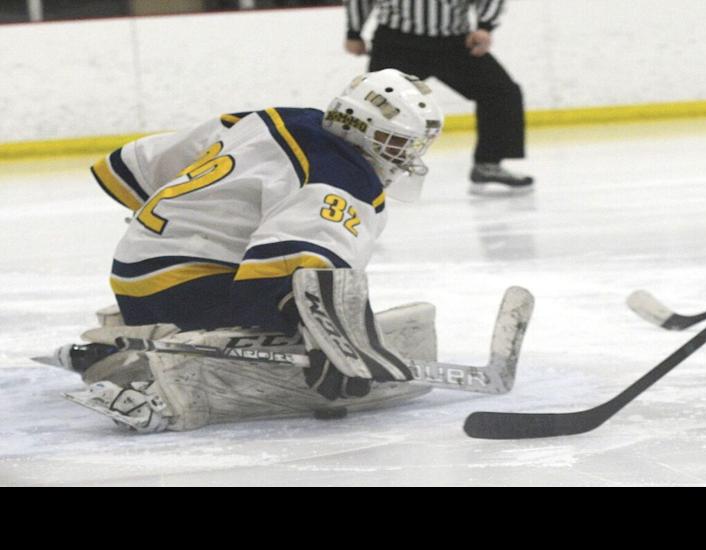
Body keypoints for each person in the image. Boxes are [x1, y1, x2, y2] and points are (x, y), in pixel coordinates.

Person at [56, 69, 447, 432]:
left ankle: (137, 335)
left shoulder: (278, 118)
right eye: (396, 142)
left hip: (134, 275)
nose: (405, 156)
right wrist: (332, 338)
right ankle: (169, 378)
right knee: (297, 326)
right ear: (358, 125)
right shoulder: (343, 175)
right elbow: (296, 272)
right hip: (190, 291)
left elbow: (142, 163)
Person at [345, 0, 534, 191]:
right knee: (374, 103)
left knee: (501, 92)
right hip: (397, 42)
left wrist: (485, 26)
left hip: (454, 42)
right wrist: (354, 32)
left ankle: (488, 164)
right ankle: (360, 167)